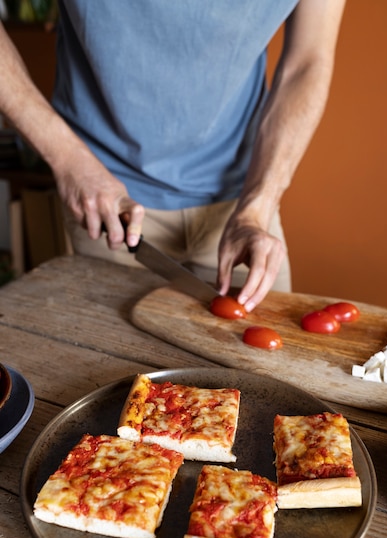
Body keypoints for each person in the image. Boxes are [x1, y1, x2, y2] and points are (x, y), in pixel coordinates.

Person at [0, 0, 345, 311]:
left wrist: (258, 207)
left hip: (242, 212)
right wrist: (68, 158)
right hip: (108, 208)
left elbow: (307, 62)